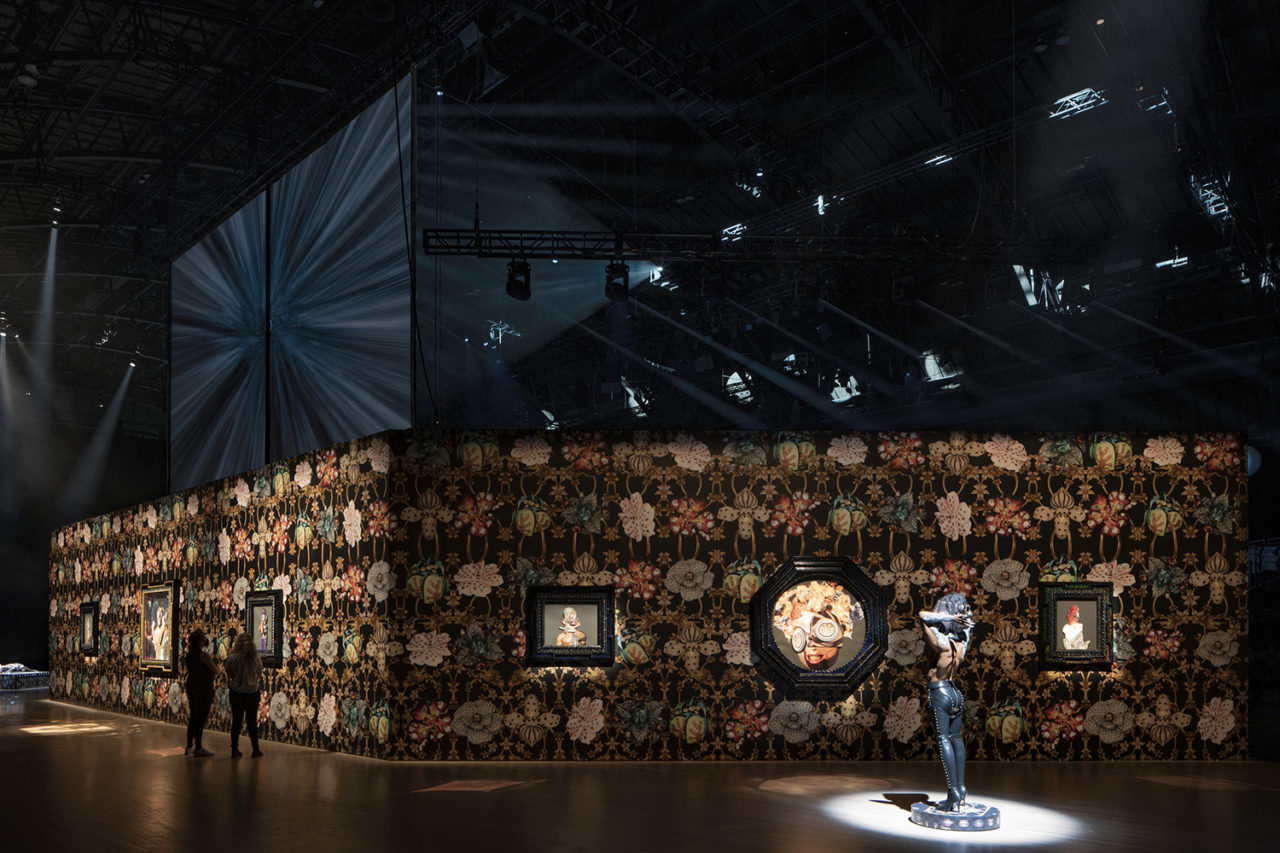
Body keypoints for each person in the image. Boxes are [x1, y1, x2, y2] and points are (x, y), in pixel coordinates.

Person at [919, 592, 975, 812]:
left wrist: (949, 619)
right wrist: (961, 620)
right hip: (955, 692)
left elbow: (922, 616)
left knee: (944, 741)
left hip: (940, 692)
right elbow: (969, 626)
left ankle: (952, 794)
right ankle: (961, 789)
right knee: (957, 740)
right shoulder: (961, 645)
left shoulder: (942, 643)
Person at [224, 631, 264, 757]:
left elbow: (229, 672)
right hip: (252, 691)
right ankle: (255, 748)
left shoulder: (233, 657)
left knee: (237, 721)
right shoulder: (255, 657)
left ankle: (234, 749)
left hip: (236, 692)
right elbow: (259, 672)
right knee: (251, 721)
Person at [184, 629, 216, 757]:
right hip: (203, 688)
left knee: (193, 717)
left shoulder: (189, 655)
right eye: (203, 638)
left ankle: (189, 746)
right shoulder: (203, 655)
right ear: (199, 641)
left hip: (192, 686)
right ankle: (198, 747)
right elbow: (215, 669)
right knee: (200, 718)